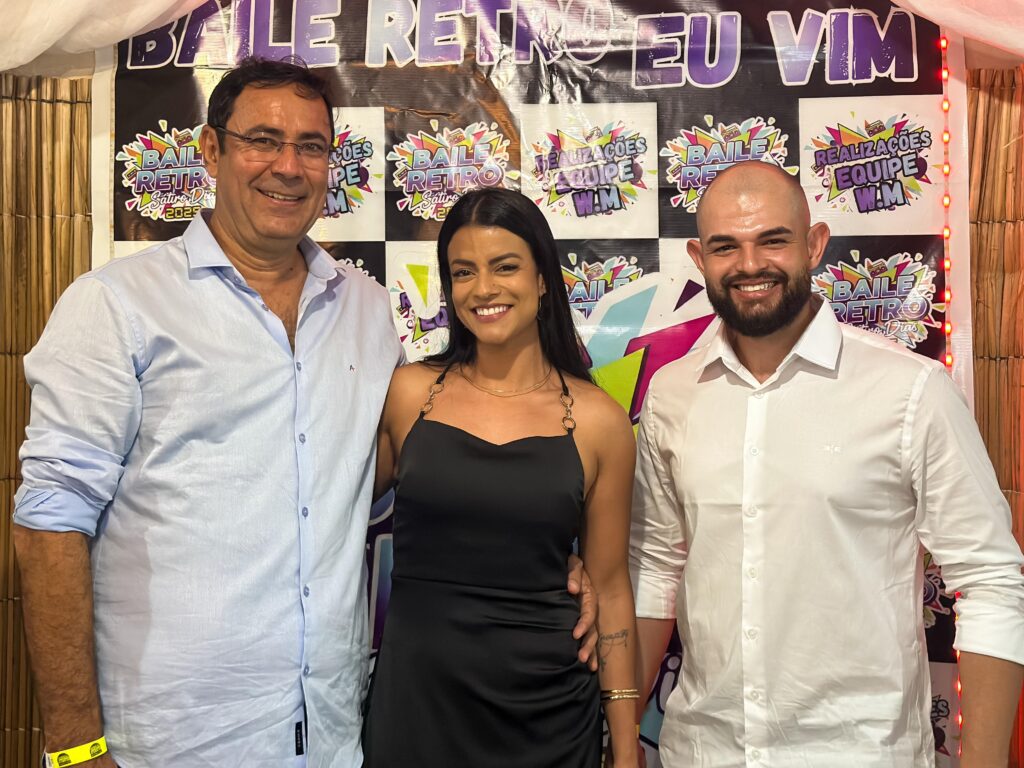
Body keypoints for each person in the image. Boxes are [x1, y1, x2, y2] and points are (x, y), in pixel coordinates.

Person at [12, 58, 596, 768]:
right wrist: (76, 745)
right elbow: (50, 522)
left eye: (311, 147)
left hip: (331, 736)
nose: (287, 167)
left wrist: (542, 553)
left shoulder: (365, 308)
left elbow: (410, 472)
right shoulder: (117, 304)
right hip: (172, 742)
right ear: (210, 150)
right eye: (262, 140)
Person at [630, 160, 1024, 767]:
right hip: (703, 751)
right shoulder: (671, 394)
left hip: (861, 753)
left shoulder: (911, 389)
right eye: (725, 246)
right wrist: (619, 731)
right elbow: (656, 567)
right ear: (698, 257)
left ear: (815, 244)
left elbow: (990, 579)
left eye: (773, 240)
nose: (750, 264)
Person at [362, 188, 640, 767]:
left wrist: (625, 745)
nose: (483, 288)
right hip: (419, 707)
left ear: (542, 279)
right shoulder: (408, 393)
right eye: (463, 272)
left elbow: (611, 589)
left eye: (505, 266)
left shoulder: (600, 422)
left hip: (550, 716)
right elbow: (329, 510)